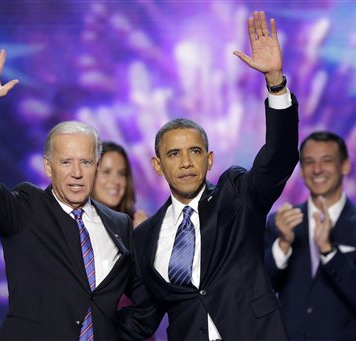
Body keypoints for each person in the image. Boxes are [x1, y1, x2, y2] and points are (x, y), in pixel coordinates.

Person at [0, 44, 155, 340]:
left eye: (85, 162)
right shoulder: (25, 208)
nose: (76, 172)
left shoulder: (119, 224)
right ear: (48, 167)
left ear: (96, 166)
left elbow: (145, 299)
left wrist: (113, 332)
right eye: (65, 162)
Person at [126, 11, 299, 340]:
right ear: (157, 165)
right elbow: (142, 319)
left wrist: (276, 83)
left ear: (209, 160)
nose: (186, 162)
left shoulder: (236, 194)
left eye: (195, 152)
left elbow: (279, 159)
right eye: (174, 154)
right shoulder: (145, 236)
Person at [264, 131, 356, 341]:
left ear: (345, 166)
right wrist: (283, 244)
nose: (317, 169)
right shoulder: (281, 222)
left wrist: (328, 250)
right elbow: (264, 290)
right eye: (309, 162)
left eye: (327, 161)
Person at [92, 141, 148, 228]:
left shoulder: (138, 223)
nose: (116, 181)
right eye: (106, 172)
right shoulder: (78, 224)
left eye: (122, 173)